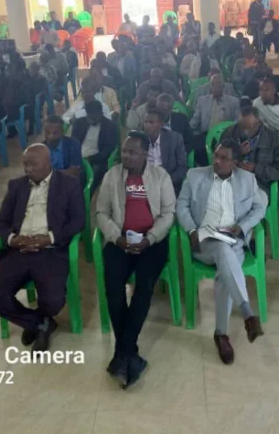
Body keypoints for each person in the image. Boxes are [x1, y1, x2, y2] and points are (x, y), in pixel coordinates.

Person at [0, 144, 85, 352]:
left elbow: (78, 222)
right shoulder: (16, 186)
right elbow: (1, 221)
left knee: (53, 302)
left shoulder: (69, 184)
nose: (28, 169)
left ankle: (38, 323)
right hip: (19, 250)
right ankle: (39, 324)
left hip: (50, 251)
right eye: (25, 164)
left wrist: (50, 238)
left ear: (48, 162)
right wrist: (12, 239)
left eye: (33, 164)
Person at [176, 139, 267, 364]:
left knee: (225, 265)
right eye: (216, 155)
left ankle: (221, 334)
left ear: (234, 162)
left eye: (224, 158)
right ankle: (246, 313)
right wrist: (191, 230)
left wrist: (242, 227)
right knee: (222, 251)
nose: (217, 161)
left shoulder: (247, 180)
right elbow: (181, 205)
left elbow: (260, 207)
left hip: (233, 240)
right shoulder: (195, 176)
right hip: (204, 241)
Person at [96, 132, 175, 388]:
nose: (126, 156)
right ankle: (129, 353)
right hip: (120, 240)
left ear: (145, 154)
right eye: (124, 151)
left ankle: (122, 353)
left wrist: (150, 239)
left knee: (144, 286)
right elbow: (102, 213)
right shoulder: (112, 176)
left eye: (132, 152)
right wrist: (117, 237)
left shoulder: (160, 176)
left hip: (151, 242)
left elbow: (168, 214)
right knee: (113, 287)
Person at [220, 106, 279, 194]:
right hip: (232, 182)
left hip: (260, 185)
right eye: (241, 127)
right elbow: (218, 161)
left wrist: (255, 168)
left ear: (259, 123)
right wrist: (237, 152)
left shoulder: (273, 138)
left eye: (249, 128)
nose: (244, 132)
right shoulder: (230, 133)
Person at [71, 100, 118, 192]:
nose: (91, 119)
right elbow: (73, 143)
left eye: (94, 116)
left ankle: (85, 196)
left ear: (100, 113)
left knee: (88, 177)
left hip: (95, 160)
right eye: (89, 116)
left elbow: (108, 149)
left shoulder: (110, 126)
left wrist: (91, 159)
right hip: (78, 158)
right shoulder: (79, 123)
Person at [143, 108, 187, 193]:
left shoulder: (175, 139)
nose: (147, 125)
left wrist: (166, 182)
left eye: (151, 122)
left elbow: (182, 167)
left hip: (167, 182)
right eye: (145, 122)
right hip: (144, 182)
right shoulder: (139, 139)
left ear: (161, 124)